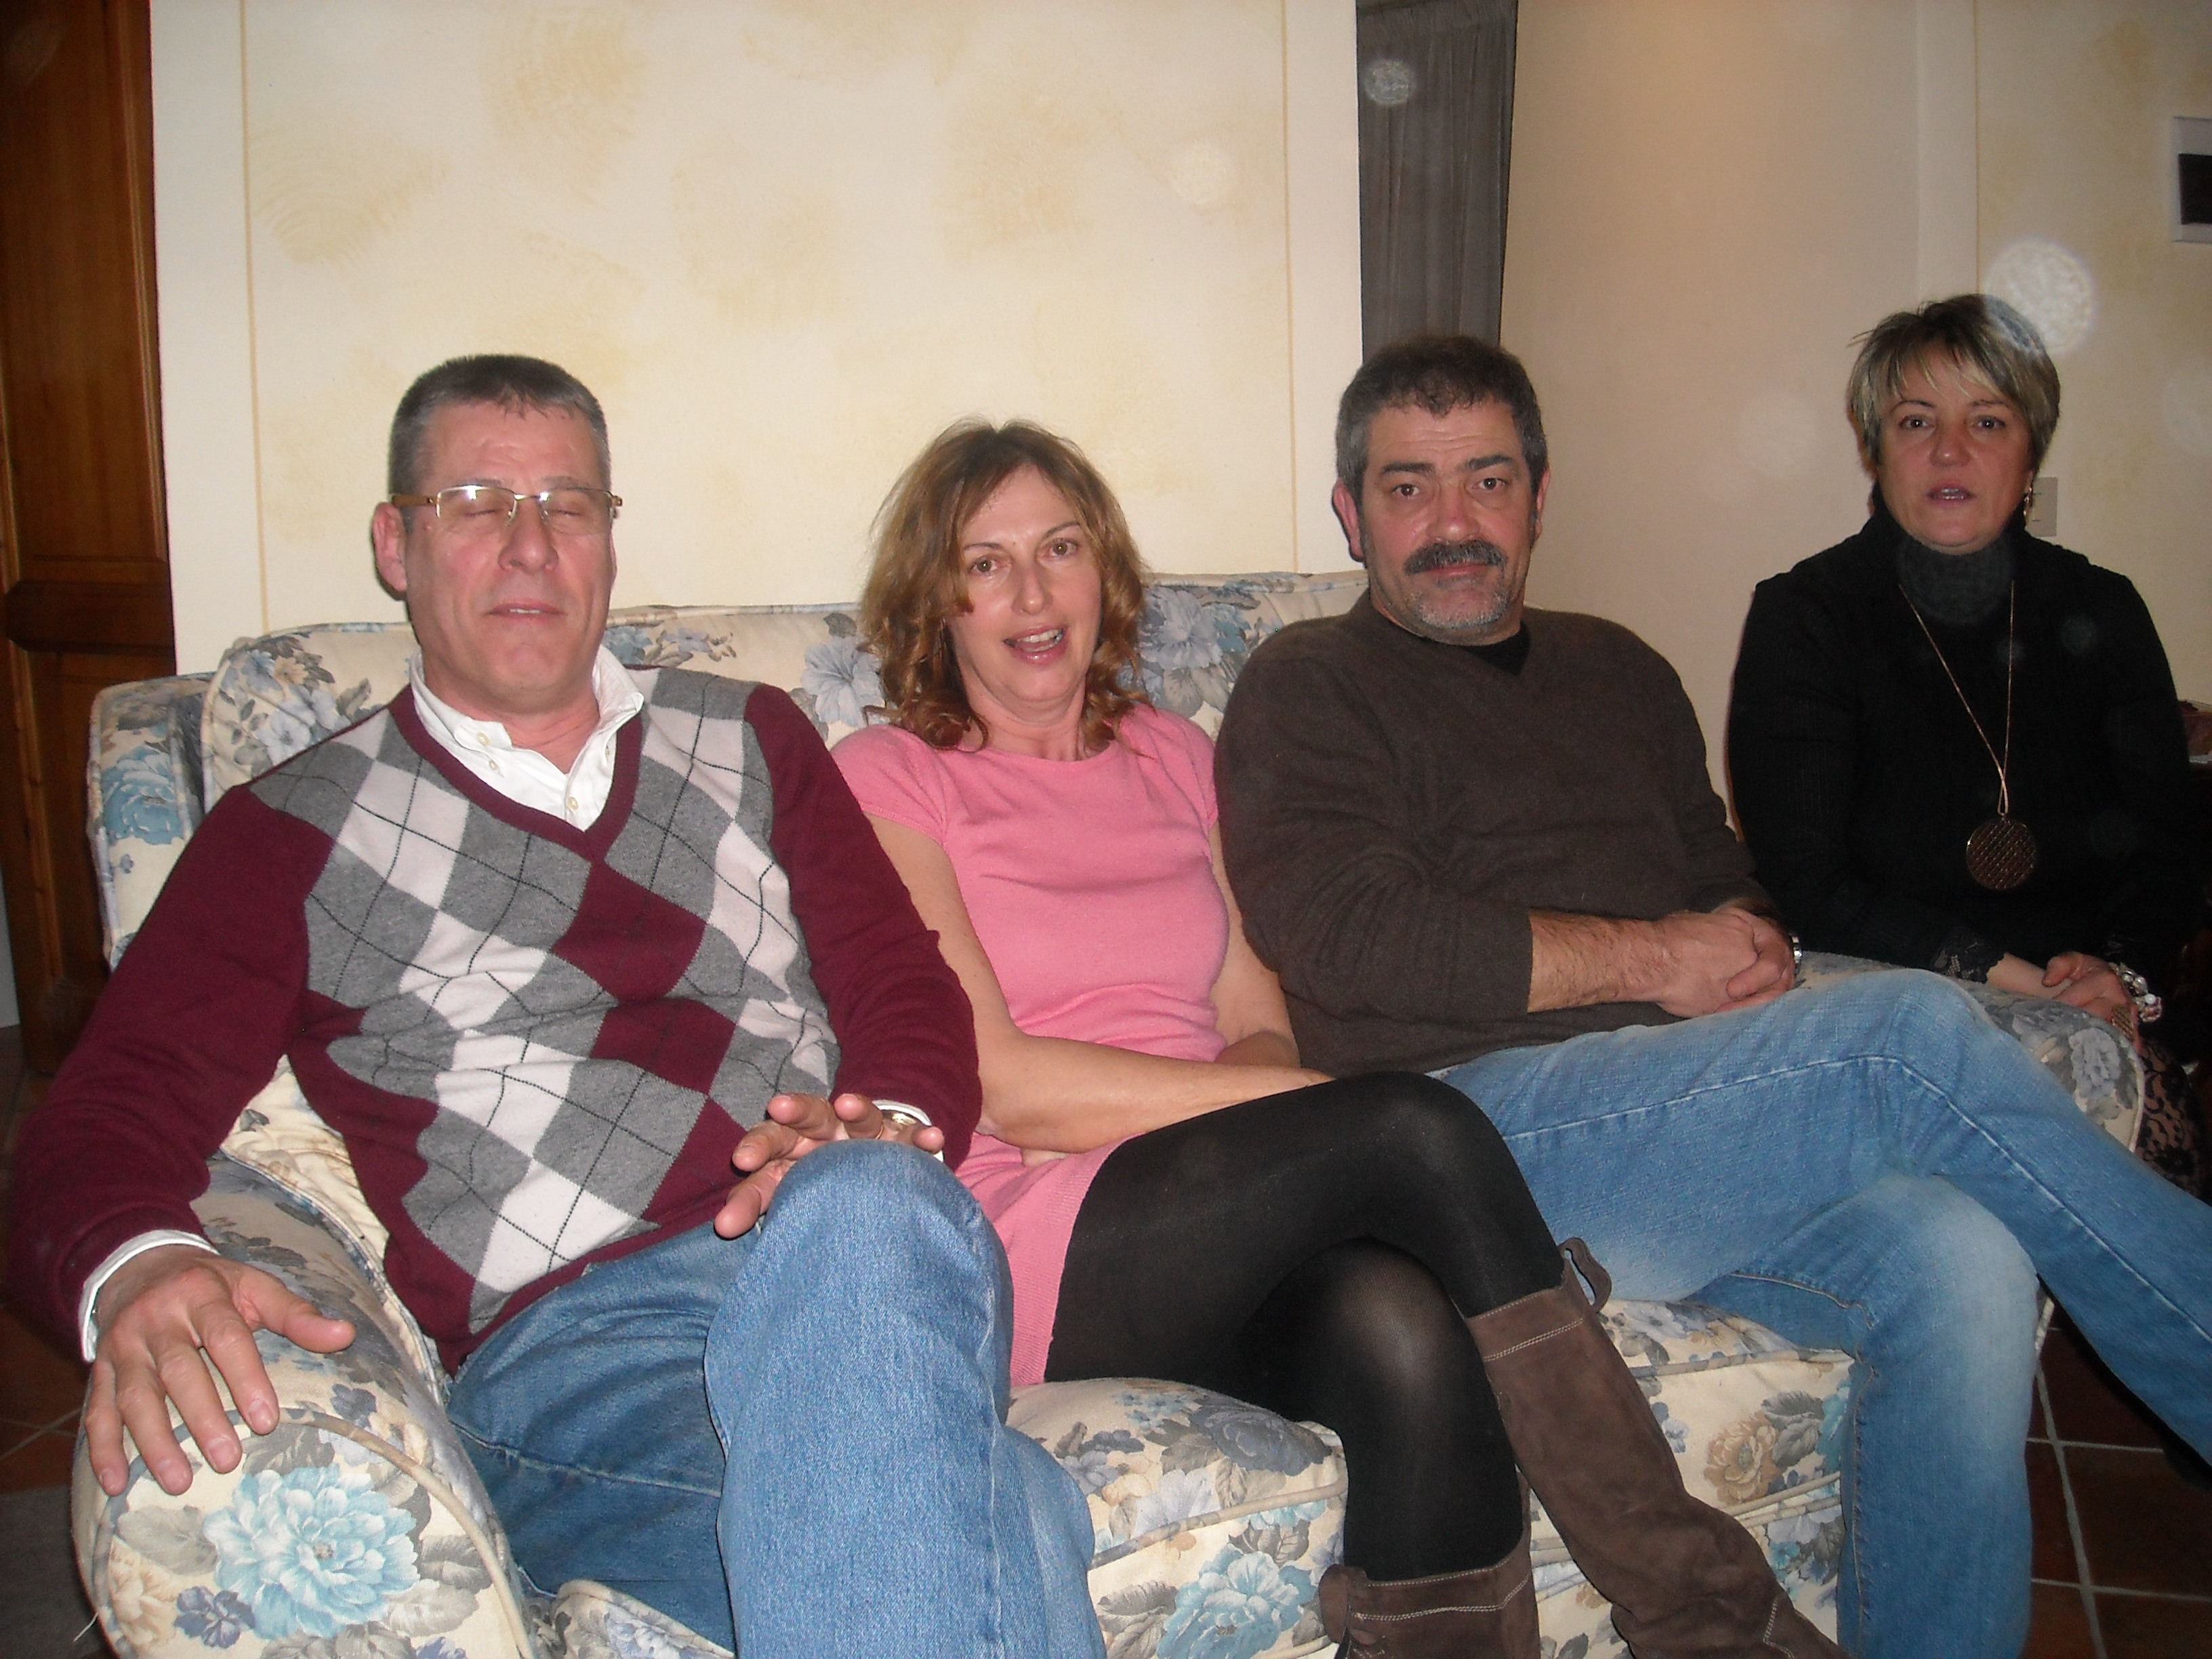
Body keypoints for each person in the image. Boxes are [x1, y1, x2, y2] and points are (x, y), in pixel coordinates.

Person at [6, 356, 1103, 1658]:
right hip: (582, 1356)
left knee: (874, 1204)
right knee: (1008, 1513)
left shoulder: (755, 738)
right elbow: (105, 1112)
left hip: (858, 1272)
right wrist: (139, 1264)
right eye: (477, 504)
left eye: (569, 506)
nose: (531, 547)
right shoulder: (286, 833)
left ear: (609, 540)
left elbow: (902, 984)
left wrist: (889, 1123)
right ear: (396, 544)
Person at [1211, 333, 2212, 1659]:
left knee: (1963, 1255)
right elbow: (1349, 939)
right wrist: (1654, 961)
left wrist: (1751, 950)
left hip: (1679, 1140)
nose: (1453, 523)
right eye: (1409, 488)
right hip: (1465, 1148)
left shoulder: (1622, 670)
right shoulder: (1308, 684)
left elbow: (1724, 877)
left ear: (1540, 495)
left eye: (1488, 480)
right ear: (1353, 513)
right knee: (1910, 1029)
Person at [831, 419, 1839, 1659]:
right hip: (1038, 1224)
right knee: (1408, 1122)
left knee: (1401, 1334)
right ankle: (1704, 1612)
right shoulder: (890, 775)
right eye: (986, 565)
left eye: (1061, 549)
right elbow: (1009, 1086)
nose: (1033, 597)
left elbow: (1257, 1018)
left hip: (1214, 1188)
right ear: (936, 600)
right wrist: (1294, 1113)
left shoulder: (1172, 756)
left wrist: (1263, 1110)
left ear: (1106, 572)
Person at [1728, 293, 2206, 1193]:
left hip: (2089, 987)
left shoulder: (2104, 609)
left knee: (2157, 1121)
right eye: (1917, 421)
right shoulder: (1809, 615)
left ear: (2031, 452)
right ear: (1876, 448)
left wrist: (2120, 974)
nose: (1949, 451)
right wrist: (2023, 983)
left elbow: (2166, 846)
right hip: (1892, 994)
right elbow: (1807, 879)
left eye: (1987, 421)